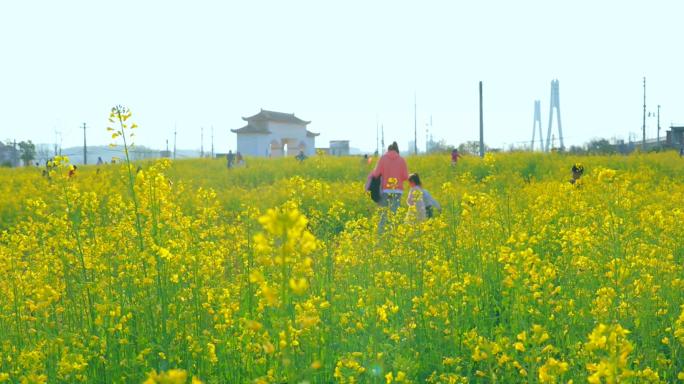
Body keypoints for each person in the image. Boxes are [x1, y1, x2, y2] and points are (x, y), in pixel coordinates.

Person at [370, 141, 409, 232]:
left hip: (385, 191)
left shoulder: (383, 158)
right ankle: (394, 235)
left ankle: (380, 235)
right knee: (395, 215)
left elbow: (376, 174)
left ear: (388, 150)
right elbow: (406, 177)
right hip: (398, 191)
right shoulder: (402, 160)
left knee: (383, 215)